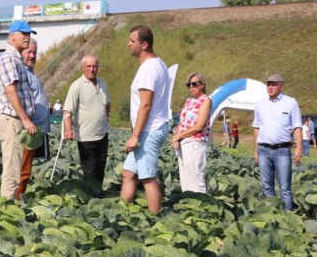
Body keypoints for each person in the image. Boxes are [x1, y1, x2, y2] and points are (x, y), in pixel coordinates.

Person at [121, 24, 171, 214]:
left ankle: (155, 221)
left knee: (148, 177)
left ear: (144, 44)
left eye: (132, 41)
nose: (128, 44)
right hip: (149, 129)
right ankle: (123, 213)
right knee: (128, 173)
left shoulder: (149, 68)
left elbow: (146, 104)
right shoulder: (156, 64)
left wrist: (135, 135)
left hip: (148, 130)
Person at [0, 20, 37, 200]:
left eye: (29, 34)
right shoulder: (8, 59)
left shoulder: (17, 59)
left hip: (17, 121)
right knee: (12, 171)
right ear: (12, 36)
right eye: (24, 34)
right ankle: (6, 211)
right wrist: (26, 119)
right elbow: (10, 91)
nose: (27, 37)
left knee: (16, 169)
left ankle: (11, 207)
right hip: (12, 121)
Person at [252, 73, 302, 211]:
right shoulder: (260, 104)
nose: (270, 87)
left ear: (281, 85)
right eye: (268, 84)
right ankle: (272, 214)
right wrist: (255, 151)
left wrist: (299, 148)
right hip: (263, 150)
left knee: (285, 187)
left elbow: (297, 126)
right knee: (267, 186)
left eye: (273, 84)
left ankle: (287, 218)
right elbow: (256, 128)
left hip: (282, 150)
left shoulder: (291, 103)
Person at [62, 54, 110, 185]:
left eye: (95, 66)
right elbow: (67, 111)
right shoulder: (77, 85)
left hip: (102, 135)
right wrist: (68, 130)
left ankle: (98, 194)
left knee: (101, 168)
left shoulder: (102, 83)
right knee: (90, 171)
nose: (92, 69)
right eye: (88, 66)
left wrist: (106, 118)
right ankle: (91, 198)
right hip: (86, 137)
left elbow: (108, 103)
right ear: (83, 68)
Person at [17, 37, 50, 199]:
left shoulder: (31, 72)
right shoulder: (22, 72)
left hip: (36, 129)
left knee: (27, 168)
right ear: (21, 52)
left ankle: (21, 194)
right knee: (22, 168)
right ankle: (17, 197)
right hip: (28, 129)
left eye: (34, 52)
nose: (32, 55)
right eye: (28, 51)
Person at [171, 72, 211, 193]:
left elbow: (199, 126)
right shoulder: (189, 101)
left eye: (194, 84)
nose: (191, 87)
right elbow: (182, 122)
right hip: (183, 144)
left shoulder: (206, 101)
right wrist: (176, 136)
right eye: (189, 85)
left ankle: (201, 207)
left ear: (202, 85)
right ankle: (188, 205)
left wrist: (178, 136)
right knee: (185, 181)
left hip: (195, 143)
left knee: (196, 180)